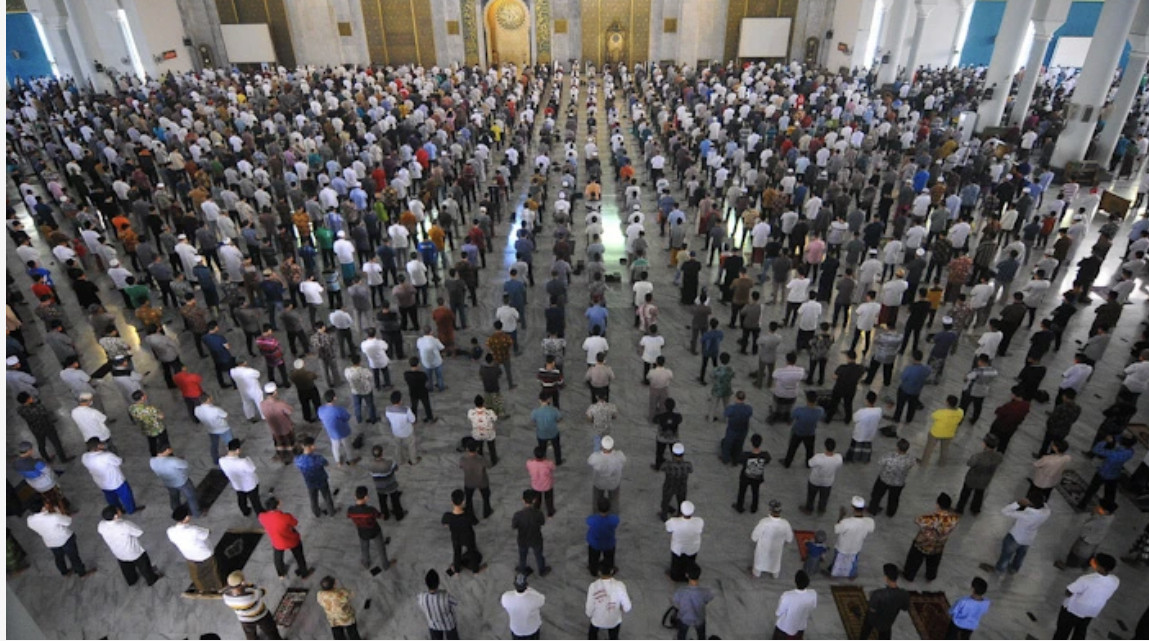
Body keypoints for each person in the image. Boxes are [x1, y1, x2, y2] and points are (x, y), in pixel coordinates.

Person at [1053, 553, 1120, 639]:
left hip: (1073, 610)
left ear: (1100, 567)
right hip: (1091, 612)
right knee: (1080, 632)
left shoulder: (1086, 579)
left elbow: (1068, 592)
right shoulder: (1115, 580)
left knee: (1062, 632)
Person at [26, 497, 92, 577]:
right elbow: (68, 521)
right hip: (65, 539)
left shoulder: (29, 520)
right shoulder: (53, 517)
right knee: (73, 556)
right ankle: (81, 573)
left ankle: (64, 572)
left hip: (50, 542)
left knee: (59, 557)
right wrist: (58, 511)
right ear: (43, 506)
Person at [97, 505, 161, 587]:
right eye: (118, 510)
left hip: (118, 552)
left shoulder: (101, 525)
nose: (120, 510)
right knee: (144, 567)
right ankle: (151, 579)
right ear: (115, 516)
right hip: (133, 551)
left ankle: (132, 580)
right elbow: (139, 532)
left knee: (126, 568)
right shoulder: (124, 524)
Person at [903, 493, 960, 582]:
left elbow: (917, 520)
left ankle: (909, 576)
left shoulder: (929, 518)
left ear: (937, 504)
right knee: (933, 563)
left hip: (923, 544)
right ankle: (930, 577)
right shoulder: (954, 518)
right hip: (939, 545)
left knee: (913, 561)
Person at [167, 505, 222, 594]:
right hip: (204, 554)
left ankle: (201, 588)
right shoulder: (193, 530)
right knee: (212, 572)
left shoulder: (170, 531)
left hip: (189, 556)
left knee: (196, 574)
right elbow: (206, 534)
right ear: (186, 518)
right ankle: (218, 588)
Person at [991, 495, 1052, 574]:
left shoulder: (1026, 515)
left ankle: (1000, 569)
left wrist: (1018, 503)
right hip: (1029, 538)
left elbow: (1004, 511)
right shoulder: (1047, 511)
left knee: (1006, 554)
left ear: (1031, 503)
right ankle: (1014, 569)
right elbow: (1044, 504)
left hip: (1016, 537)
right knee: (1020, 555)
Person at [82, 437, 142, 514]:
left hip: (102, 483)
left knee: (111, 498)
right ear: (99, 446)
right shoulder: (107, 456)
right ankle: (130, 510)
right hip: (116, 482)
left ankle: (117, 511)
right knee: (126, 497)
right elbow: (119, 461)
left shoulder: (84, 457)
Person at [258, 497, 314, 579]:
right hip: (291, 540)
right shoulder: (285, 517)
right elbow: (295, 523)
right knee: (299, 557)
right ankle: (304, 573)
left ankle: (281, 573)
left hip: (276, 541)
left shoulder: (262, 516)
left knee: (278, 558)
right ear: (277, 506)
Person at [1056, 499, 1118, 570]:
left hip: (1087, 540)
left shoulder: (1101, 521)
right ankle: (1086, 564)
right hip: (1095, 540)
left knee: (1077, 553)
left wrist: (1093, 514)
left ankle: (1067, 566)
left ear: (1106, 512)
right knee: (1088, 553)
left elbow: (1085, 524)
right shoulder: (1110, 516)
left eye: (1100, 507)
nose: (1097, 507)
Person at [347, 486, 395, 571]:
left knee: (364, 548)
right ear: (366, 497)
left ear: (355, 496)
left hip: (362, 532)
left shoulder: (350, 510)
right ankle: (385, 565)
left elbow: (349, 516)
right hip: (374, 531)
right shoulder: (370, 510)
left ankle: (366, 563)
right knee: (381, 548)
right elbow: (381, 516)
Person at [222, 571, 281, 640]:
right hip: (261, 615)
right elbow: (263, 591)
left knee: (250, 635)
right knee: (271, 630)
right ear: (242, 583)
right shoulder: (251, 595)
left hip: (244, 619)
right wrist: (249, 585)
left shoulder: (226, 597)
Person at [955, 435, 1005, 514]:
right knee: (979, 495)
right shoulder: (999, 456)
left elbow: (969, 463)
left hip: (972, 479)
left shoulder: (978, 456)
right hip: (985, 480)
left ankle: (959, 509)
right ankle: (975, 509)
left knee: (965, 495)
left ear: (984, 444)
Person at [860, 564, 910, 640]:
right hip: (888, 620)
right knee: (885, 634)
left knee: (866, 629)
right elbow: (905, 607)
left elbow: (872, 610)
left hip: (874, 619)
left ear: (886, 577)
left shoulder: (878, 594)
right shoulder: (904, 594)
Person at [868, 439, 915, 516]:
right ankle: (890, 513)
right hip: (899, 482)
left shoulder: (889, 456)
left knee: (876, 495)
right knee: (894, 499)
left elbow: (880, 462)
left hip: (884, 479)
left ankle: (873, 509)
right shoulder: (910, 458)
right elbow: (911, 465)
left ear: (897, 447)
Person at [831, 496, 875, 578]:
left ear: (852, 508)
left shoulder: (846, 522)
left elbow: (836, 529)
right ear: (864, 508)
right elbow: (870, 529)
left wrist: (841, 516)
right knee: (853, 562)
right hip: (856, 547)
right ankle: (852, 575)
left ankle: (833, 573)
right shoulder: (869, 521)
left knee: (837, 561)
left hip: (842, 547)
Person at [150, 446, 201, 516]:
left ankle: (177, 511)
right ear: (167, 450)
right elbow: (185, 465)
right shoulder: (172, 461)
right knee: (191, 496)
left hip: (168, 482)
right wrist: (180, 459)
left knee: (174, 497)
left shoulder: (152, 461)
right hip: (182, 482)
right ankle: (196, 513)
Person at [585, 563, 632, 640]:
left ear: (599, 572)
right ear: (612, 571)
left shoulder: (593, 586)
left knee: (592, 634)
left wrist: (589, 614)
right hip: (614, 620)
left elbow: (589, 607)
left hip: (597, 620)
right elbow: (627, 607)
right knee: (614, 636)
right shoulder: (619, 585)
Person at [442, 489, 482, 575]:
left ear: (452, 502)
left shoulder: (447, 516)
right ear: (463, 502)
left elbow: (444, 524)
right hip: (468, 537)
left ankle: (457, 570)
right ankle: (476, 570)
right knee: (472, 551)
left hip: (456, 537)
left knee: (457, 552)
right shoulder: (468, 515)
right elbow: (475, 522)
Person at [219, 439, 264, 516]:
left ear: (227, 448)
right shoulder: (243, 462)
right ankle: (260, 514)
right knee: (255, 500)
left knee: (241, 498)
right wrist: (248, 459)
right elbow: (252, 469)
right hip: (250, 485)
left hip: (237, 484)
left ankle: (245, 511)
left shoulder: (221, 460)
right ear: (237, 450)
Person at [751, 500, 794, 579]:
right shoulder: (785, 524)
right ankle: (774, 575)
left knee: (759, 562)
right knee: (775, 563)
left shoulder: (764, 522)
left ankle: (757, 574)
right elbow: (789, 539)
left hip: (762, 550)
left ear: (770, 510)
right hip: (776, 549)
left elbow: (754, 537)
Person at [512, 489, 551, 576]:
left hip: (522, 539)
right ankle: (542, 570)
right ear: (534, 500)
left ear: (523, 500)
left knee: (522, 556)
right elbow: (542, 523)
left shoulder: (518, 515)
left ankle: (522, 570)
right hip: (536, 538)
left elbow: (514, 526)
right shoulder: (538, 513)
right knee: (539, 555)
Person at [295, 437, 336, 517]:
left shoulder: (298, 459)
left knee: (313, 498)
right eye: (310, 446)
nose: (314, 447)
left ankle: (316, 512)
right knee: (327, 496)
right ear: (304, 446)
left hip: (310, 482)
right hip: (321, 480)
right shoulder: (318, 458)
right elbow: (326, 463)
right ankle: (331, 511)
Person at [672, 564, 715, 640]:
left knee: (681, 634)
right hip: (699, 618)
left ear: (687, 575)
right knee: (701, 634)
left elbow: (676, 601)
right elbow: (709, 598)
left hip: (684, 618)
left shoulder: (680, 592)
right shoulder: (705, 592)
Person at [781, 391, 823, 468]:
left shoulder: (799, 410)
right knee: (810, 449)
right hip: (810, 433)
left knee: (792, 448)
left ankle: (787, 463)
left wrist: (789, 423)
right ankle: (809, 463)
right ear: (816, 400)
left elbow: (790, 420)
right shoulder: (820, 411)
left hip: (798, 432)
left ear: (807, 399)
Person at [665, 500, 704, 582]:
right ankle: (688, 574)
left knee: (676, 563)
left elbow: (668, 528)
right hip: (693, 547)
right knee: (690, 561)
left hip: (678, 548)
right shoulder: (699, 521)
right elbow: (699, 530)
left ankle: (675, 576)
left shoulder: (674, 521)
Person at [920, 395, 963, 467]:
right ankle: (942, 463)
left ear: (947, 402)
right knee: (944, 449)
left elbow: (933, 416)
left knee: (929, 449)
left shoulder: (941, 412)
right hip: (949, 434)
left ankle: (923, 463)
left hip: (936, 433)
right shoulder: (960, 412)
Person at [501, 572, 546, 640]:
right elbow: (542, 599)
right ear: (526, 585)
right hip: (532, 629)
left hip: (516, 629)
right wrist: (530, 590)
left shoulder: (506, 597)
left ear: (514, 585)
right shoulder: (533, 598)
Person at [773, 570, 817, 639]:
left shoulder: (787, 595)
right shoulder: (813, 594)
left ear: (795, 581)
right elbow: (812, 607)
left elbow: (778, 612)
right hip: (800, 624)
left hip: (784, 626)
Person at [419, 569, 460, 639]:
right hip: (448, 625)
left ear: (426, 583)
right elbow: (456, 602)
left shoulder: (421, 597)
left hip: (433, 625)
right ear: (438, 583)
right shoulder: (446, 596)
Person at [734, 433, 771, 513]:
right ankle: (754, 508)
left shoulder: (745, 455)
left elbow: (740, 461)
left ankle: (739, 506)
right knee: (755, 492)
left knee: (742, 492)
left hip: (746, 476)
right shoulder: (765, 455)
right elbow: (767, 461)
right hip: (757, 477)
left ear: (751, 442)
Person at [459, 438, 493, 518]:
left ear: (467, 449)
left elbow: (461, 466)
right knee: (486, 498)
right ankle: (487, 512)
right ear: (477, 448)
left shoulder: (463, 460)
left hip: (469, 482)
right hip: (482, 482)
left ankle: (470, 515)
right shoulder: (481, 460)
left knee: (469, 499)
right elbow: (489, 465)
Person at [660, 442, 693, 521]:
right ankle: (680, 514)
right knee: (681, 501)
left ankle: (664, 516)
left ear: (673, 454)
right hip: (682, 486)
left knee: (666, 501)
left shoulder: (668, 465)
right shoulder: (688, 465)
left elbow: (661, 468)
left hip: (669, 486)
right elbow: (691, 470)